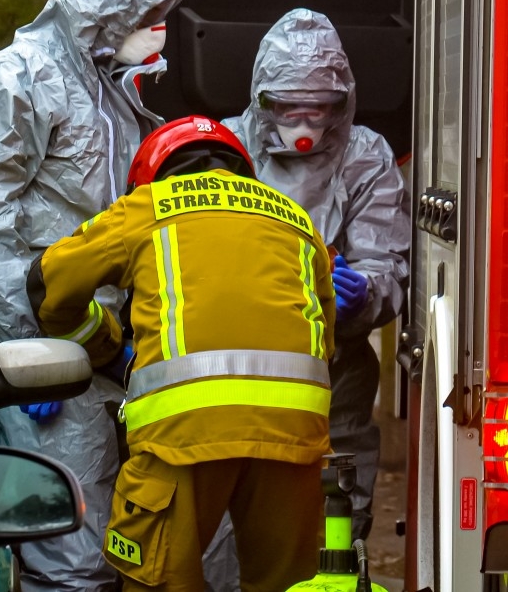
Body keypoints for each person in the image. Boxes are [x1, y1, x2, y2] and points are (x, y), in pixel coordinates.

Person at [0, 0, 181, 592]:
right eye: (148, 15)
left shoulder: (112, 93)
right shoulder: (18, 78)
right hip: (48, 359)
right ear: (104, 6)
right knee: (70, 564)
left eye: (162, 17)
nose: (157, 30)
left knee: (116, 558)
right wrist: (26, 357)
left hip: (106, 357)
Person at [28, 116, 336, 592]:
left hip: (183, 435)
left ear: (152, 174)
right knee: (293, 585)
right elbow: (324, 341)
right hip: (294, 436)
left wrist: (105, 347)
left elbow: (48, 283)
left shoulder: (147, 206)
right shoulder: (296, 218)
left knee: (160, 580)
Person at [226, 8, 410, 543]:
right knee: (231, 523)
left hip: (333, 371)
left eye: (319, 110)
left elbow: (384, 258)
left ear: (342, 103)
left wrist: (365, 293)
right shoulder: (226, 149)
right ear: (263, 100)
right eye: (289, 109)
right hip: (238, 364)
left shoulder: (365, 156)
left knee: (334, 518)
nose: (304, 128)